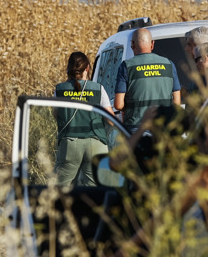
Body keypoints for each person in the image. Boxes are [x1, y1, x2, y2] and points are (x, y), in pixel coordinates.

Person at [54, 51, 111, 187]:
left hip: (70, 144)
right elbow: (110, 119)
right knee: (95, 190)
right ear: (87, 68)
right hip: (96, 144)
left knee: (58, 190)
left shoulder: (60, 89)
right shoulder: (98, 89)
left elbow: (57, 115)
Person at [113, 27, 181, 133]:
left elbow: (118, 104)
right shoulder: (169, 64)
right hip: (164, 127)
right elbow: (176, 102)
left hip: (136, 128)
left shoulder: (126, 66)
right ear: (152, 44)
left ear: (132, 44)